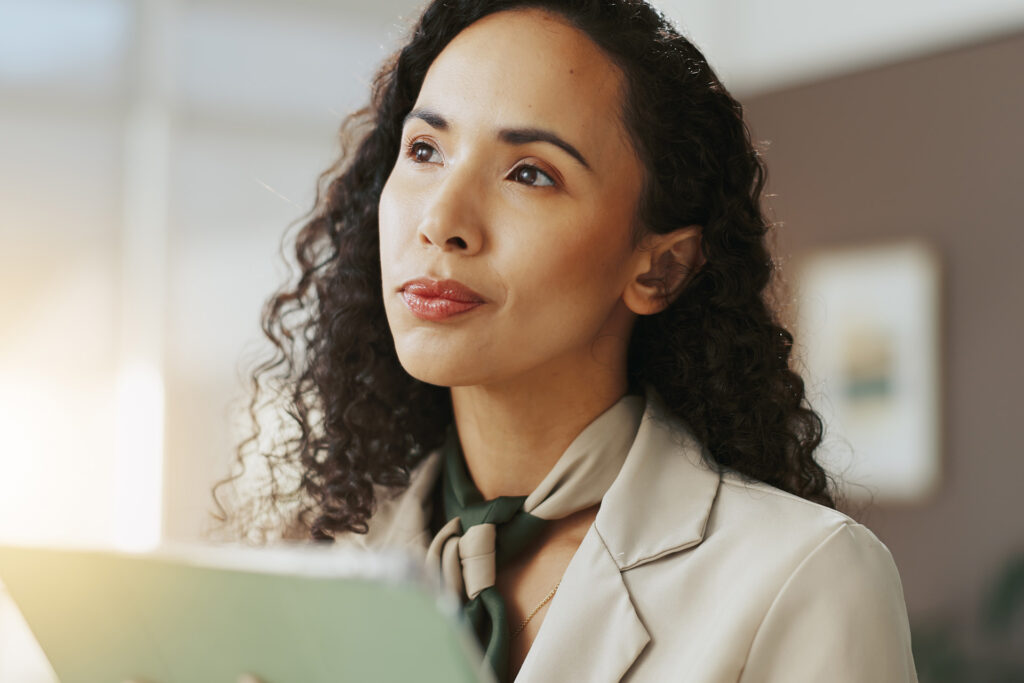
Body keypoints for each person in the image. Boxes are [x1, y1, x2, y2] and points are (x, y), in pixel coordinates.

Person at [214, 0, 919, 681]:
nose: (441, 220)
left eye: (530, 173)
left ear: (660, 267)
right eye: (425, 149)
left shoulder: (803, 578)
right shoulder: (317, 575)